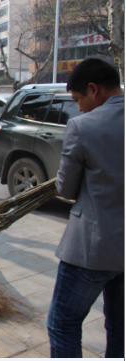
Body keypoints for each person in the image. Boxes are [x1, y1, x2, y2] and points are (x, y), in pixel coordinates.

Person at [46, 58, 124, 358]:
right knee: (120, 327)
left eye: (78, 100)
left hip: (92, 249)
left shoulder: (82, 126)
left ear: (94, 90)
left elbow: (64, 189)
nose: (78, 108)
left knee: (63, 323)